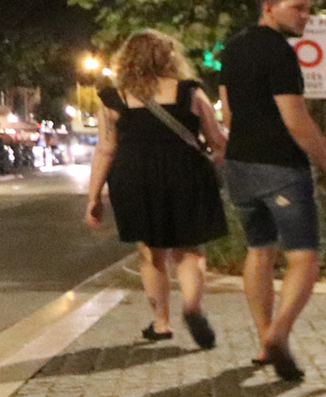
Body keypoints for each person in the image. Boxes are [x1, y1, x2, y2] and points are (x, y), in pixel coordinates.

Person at [218, 0, 326, 384]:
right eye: (298, 8)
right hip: (279, 167)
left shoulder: (232, 49)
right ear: (269, 7)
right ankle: (278, 334)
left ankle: (263, 341)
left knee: (259, 250)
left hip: (239, 165)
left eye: (307, 8)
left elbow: (227, 114)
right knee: (304, 256)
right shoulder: (279, 52)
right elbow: (296, 120)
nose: (306, 16)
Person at [84, 29, 230, 348]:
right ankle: (191, 306)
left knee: (151, 253)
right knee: (190, 250)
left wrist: (94, 196)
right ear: (169, 57)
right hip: (185, 171)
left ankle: (161, 323)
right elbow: (217, 140)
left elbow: (106, 148)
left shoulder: (113, 98)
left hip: (135, 176)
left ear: (127, 60)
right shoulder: (190, 91)